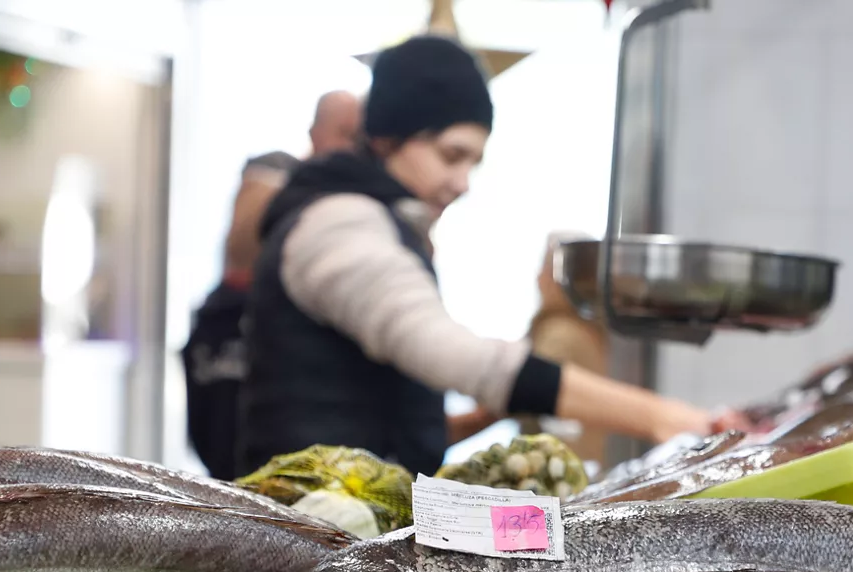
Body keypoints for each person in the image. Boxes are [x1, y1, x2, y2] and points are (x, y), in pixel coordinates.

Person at [238, 36, 742, 478]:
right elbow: (449, 352)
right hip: (310, 533)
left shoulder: (367, 215)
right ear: (389, 136)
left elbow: (372, 409)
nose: (461, 184)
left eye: (474, 162)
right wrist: (663, 416)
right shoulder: (340, 222)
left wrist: (476, 422)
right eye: (451, 155)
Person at [182, 91, 361, 479]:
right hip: (235, 349)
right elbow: (242, 246)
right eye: (343, 133)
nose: (351, 148)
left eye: (359, 138)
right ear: (314, 133)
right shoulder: (275, 171)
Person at [518, 231, 610, 463]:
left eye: (544, 269)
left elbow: (528, 398)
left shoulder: (559, 336)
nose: (538, 278)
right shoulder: (593, 333)